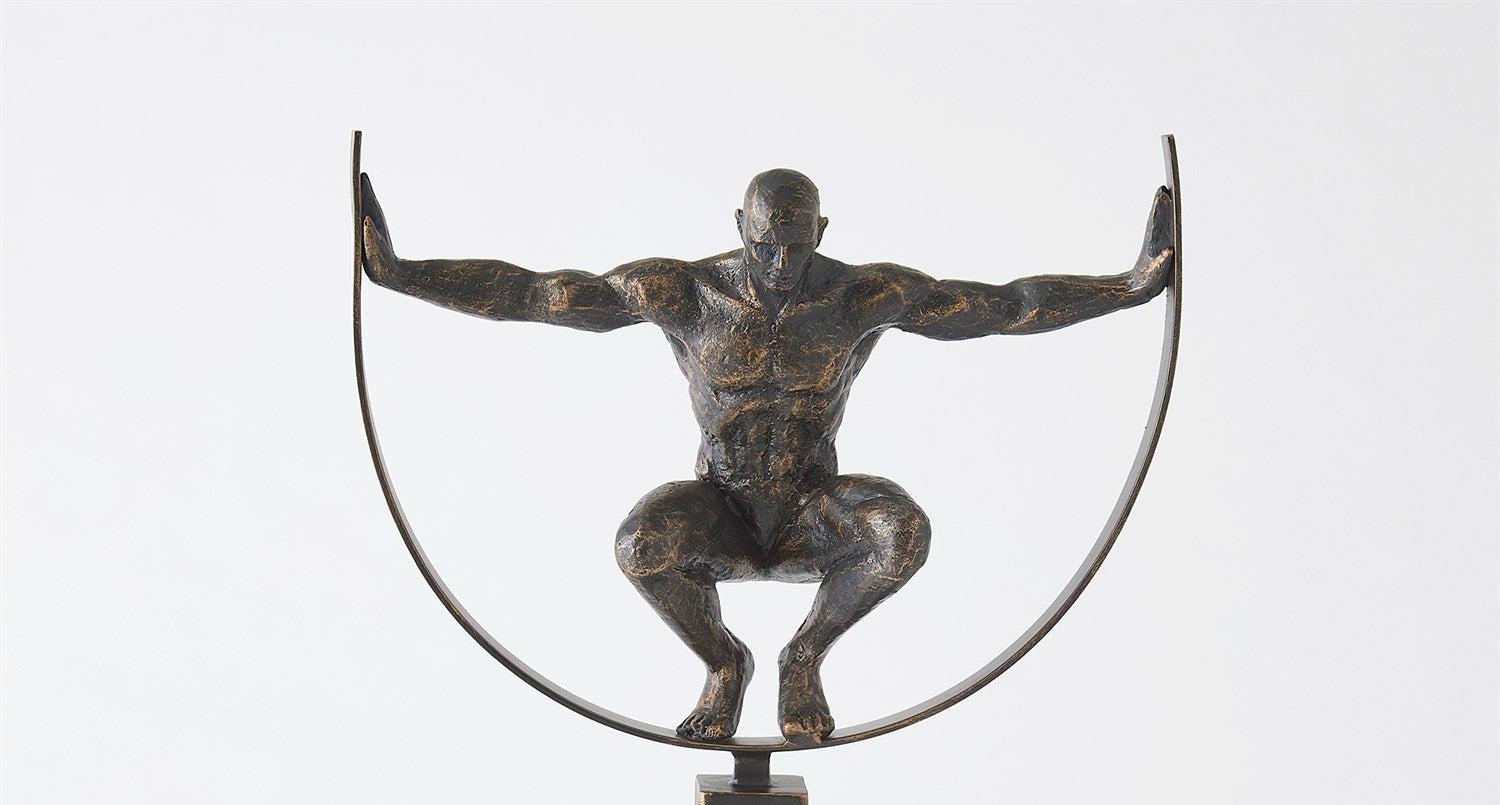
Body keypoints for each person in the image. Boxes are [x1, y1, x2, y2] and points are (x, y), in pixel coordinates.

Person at [361, 168, 1173, 741]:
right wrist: (398, 273)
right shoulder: (682, 291)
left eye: (797, 244)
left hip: (813, 512)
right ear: (740, 230)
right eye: (765, 245)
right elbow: (538, 294)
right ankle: (724, 664)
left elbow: (1005, 306)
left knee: (902, 532)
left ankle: (804, 656)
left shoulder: (861, 296)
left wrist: (1129, 285)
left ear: (821, 232)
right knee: (641, 544)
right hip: (720, 508)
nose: (783, 264)